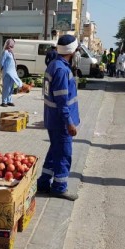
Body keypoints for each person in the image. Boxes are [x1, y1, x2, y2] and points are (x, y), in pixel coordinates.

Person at [36, 35, 80, 201]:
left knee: (54, 152)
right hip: (61, 121)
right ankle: (59, 187)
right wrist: (69, 123)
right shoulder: (61, 70)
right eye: (76, 49)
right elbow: (62, 102)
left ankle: (44, 183)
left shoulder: (54, 65)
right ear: (72, 51)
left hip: (52, 119)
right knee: (63, 155)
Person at [0, 39, 23, 107]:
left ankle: (9, 101)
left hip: (13, 73)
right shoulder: (6, 52)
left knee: (11, 88)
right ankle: (4, 101)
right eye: (12, 44)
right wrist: (2, 69)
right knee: (6, 88)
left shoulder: (11, 52)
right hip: (7, 73)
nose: (13, 46)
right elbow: (1, 62)